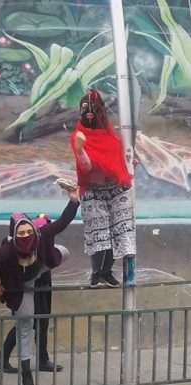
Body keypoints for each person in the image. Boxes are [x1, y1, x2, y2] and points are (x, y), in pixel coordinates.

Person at [0, 185, 79, 385]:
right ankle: (27, 377)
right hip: (20, 287)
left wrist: (73, 200)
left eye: (29, 232)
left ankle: (30, 360)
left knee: (63, 251)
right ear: (14, 236)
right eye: (21, 233)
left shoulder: (41, 235)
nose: (26, 236)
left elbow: (62, 222)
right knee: (25, 327)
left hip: (38, 270)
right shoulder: (6, 252)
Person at [70, 89, 135, 288]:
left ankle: (106, 272)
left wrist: (129, 161)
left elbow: (119, 157)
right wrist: (80, 149)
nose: (89, 112)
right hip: (93, 192)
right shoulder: (78, 136)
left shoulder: (110, 135)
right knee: (99, 234)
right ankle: (96, 272)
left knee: (119, 233)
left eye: (94, 108)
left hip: (117, 191)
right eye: (85, 108)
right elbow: (87, 166)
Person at [0, 214, 63, 374]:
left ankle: (3, 358)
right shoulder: (13, 243)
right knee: (32, 323)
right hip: (32, 287)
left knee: (34, 323)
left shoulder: (29, 240)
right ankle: (40, 360)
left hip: (40, 285)